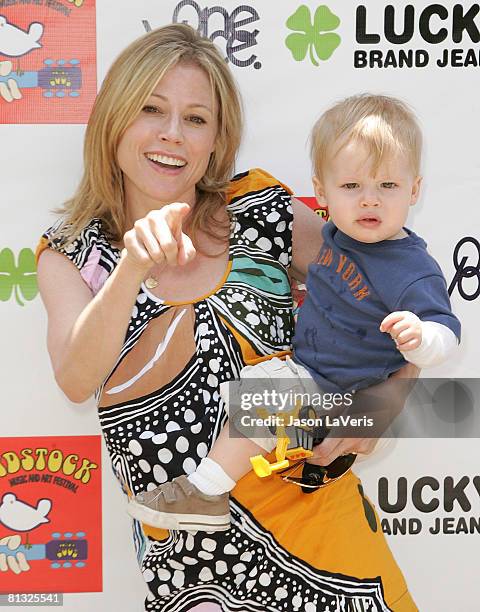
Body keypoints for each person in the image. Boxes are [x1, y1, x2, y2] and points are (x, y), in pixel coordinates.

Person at [37, 24, 419, 612]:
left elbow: (396, 284)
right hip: (191, 568)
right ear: (113, 119)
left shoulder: (261, 209)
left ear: (217, 139)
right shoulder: (72, 253)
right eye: (151, 109)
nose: (172, 134)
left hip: (327, 537)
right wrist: (131, 268)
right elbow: (75, 377)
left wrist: (390, 400)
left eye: (196, 119)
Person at [127, 94, 461, 531]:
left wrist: (422, 339)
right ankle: (295, 471)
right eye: (351, 187)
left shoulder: (409, 267)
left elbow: (447, 331)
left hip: (344, 393)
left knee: (259, 396)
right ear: (321, 191)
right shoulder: (338, 238)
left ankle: (204, 492)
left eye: (388, 187)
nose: (370, 202)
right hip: (315, 378)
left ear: (414, 189)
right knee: (255, 394)